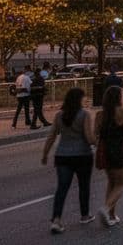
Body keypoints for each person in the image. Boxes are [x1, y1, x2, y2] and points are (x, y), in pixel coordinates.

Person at [41, 87, 96, 233]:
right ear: (79, 99)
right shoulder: (84, 114)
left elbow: (52, 136)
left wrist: (45, 154)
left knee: (62, 188)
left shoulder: (59, 115)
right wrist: (99, 143)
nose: (85, 100)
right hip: (82, 155)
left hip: (63, 155)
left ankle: (56, 219)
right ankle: (85, 215)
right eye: (84, 98)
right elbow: (89, 137)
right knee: (84, 186)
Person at [93, 85, 123, 227]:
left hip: (105, 151)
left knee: (111, 183)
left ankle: (111, 214)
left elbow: (95, 135)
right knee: (121, 184)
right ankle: (106, 208)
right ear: (118, 97)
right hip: (119, 149)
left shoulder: (99, 115)